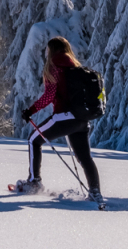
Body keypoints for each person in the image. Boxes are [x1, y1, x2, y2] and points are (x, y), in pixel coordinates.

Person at [12, 37, 104, 207]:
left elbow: (49, 96)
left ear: (51, 50)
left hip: (64, 117)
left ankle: (34, 181)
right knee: (85, 158)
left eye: (47, 49)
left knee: (33, 140)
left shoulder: (54, 66)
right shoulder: (74, 66)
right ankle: (95, 193)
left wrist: (30, 111)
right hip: (82, 120)